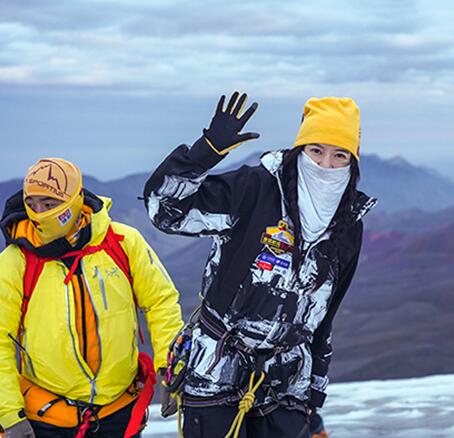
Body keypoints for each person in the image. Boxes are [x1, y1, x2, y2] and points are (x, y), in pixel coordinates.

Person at [144, 92, 376, 437]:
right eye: (316, 151)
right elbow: (166, 213)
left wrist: (315, 389)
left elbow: (327, 312)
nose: (326, 165)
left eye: (339, 155)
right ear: (300, 150)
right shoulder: (256, 188)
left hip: (286, 380)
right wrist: (205, 152)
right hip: (217, 367)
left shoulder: (347, 223)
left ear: (351, 163)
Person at [0, 158, 183, 437]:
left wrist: (170, 370)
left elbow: (161, 302)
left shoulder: (123, 242)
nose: (38, 214)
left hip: (120, 413)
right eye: (32, 203)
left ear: (75, 200)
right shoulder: (15, 261)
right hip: (45, 419)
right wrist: (9, 415)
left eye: (49, 205)